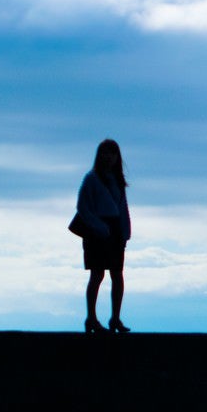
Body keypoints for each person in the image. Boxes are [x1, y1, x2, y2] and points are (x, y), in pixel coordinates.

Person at [77, 139, 132, 334]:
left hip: (115, 231)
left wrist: (125, 231)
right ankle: (91, 318)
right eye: (105, 153)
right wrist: (99, 227)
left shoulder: (118, 179)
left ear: (117, 157)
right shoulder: (91, 178)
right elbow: (83, 207)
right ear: (99, 156)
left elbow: (123, 208)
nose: (108, 157)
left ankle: (115, 318)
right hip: (96, 232)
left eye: (112, 153)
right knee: (97, 275)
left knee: (117, 275)